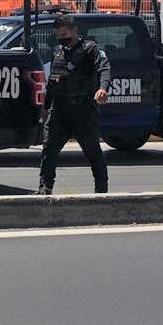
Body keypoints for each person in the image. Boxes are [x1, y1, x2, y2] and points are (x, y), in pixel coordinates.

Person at [38, 14, 112, 195]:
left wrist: (103, 88)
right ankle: (44, 190)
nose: (62, 39)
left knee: (92, 151)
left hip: (83, 110)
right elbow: (53, 82)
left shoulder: (90, 49)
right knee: (49, 150)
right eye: (59, 36)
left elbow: (104, 68)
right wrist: (46, 108)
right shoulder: (59, 53)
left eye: (65, 34)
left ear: (75, 30)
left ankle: (101, 192)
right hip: (60, 111)